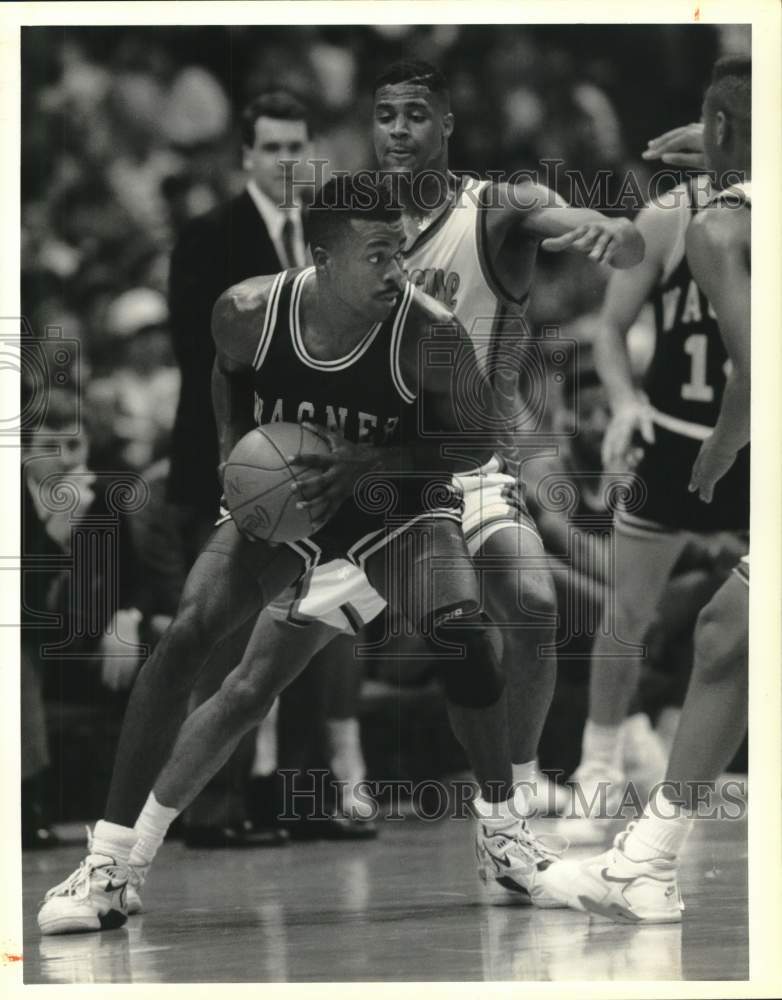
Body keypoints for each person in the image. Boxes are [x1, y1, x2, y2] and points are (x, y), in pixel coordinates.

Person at [38, 175, 524, 935]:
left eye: (401, 251)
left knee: (467, 645)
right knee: (194, 643)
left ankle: (503, 836)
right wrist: (237, 457)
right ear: (321, 257)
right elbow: (225, 379)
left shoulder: (430, 333)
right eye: (378, 255)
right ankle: (112, 861)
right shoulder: (246, 313)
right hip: (294, 504)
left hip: (393, 505)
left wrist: (370, 462)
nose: (398, 270)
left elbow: (477, 442)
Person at [246, 59, 645, 871]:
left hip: (466, 461)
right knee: (265, 655)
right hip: (371, 465)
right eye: (386, 114)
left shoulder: (496, 208)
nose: (398, 130)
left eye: (417, 115)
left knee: (531, 603)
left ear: (448, 125)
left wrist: (611, 230)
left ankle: (514, 805)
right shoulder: (357, 216)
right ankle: (144, 835)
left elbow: (601, 228)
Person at [546, 55, 751, 922]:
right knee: (654, 619)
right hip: (675, 436)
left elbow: (756, 367)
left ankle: (651, 851)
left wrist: (722, 451)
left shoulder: (730, 225)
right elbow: (609, 333)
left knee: (728, 632)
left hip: (743, 437)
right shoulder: (672, 217)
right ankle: (600, 777)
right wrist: (626, 403)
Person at [168, 90, 368, 844]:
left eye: (296, 147)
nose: (287, 160)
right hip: (240, 461)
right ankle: (213, 810)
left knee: (318, 625)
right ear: (246, 156)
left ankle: (305, 799)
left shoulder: (330, 237)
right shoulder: (208, 236)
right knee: (229, 638)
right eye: (272, 148)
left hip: (323, 469)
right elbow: (203, 355)